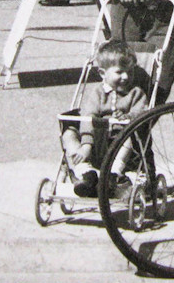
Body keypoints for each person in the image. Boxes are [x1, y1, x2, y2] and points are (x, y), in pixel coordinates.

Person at [61, 40, 148, 198]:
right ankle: (86, 173)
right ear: (103, 74)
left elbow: (141, 113)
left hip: (119, 141)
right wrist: (87, 143)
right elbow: (88, 116)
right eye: (119, 72)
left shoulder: (136, 93)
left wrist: (128, 117)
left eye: (130, 71)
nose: (126, 76)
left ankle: (112, 175)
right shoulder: (98, 93)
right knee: (68, 134)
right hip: (94, 142)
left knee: (131, 136)